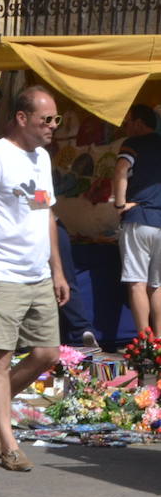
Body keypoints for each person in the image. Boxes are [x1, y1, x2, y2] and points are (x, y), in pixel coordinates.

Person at [0, 86, 68, 472]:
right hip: (3, 272)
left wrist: (56, 269)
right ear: (22, 118)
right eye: (47, 119)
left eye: (56, 119)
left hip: (37, 272)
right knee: (0, 359)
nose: (53, 126)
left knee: (47, 353)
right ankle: (7, 443)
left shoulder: (40, 157)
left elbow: (46, 214)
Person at [114, 103, 161, 336]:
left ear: (139, 123)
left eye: (128, 121)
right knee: (157, 284)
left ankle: (144, 342)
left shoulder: (132, 144)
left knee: (137, 282)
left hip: (139, 218)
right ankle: (159, 341)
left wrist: (120, 204)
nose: (126, 127)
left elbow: (121, 169)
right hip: (159, 220)